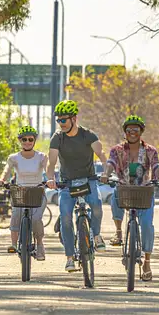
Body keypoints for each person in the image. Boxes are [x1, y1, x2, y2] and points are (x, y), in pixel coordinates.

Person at [46, 99, 109, 273]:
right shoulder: (57, 138)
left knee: (96, 205)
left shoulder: (88, 135)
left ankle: (96, 235)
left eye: (63, 120)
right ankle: (69, 258)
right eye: (58, 120)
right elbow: (51, 163)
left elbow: (102, 156)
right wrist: (50, 178)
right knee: (65, 217)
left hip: (89, 180)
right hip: (67, 183)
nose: (61, 123)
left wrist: (106, 172)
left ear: (74, 118)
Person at [104, 114, 159, 281]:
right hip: (124, 189)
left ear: (141, 131)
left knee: (147, 225)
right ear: (124, 132)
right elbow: (110, 163)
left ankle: (147, 261)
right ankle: (118, 231)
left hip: (144, 191)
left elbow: (156, 167)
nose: (132, 132)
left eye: (136, 129)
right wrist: (105, 175)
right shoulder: (116, 150)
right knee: (116, 195)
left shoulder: (150, 151)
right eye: (129, 130)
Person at [0, 124, 49, 261]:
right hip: (20, 193)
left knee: (36, 219)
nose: (27, 142)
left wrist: (51, 180)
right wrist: (2, 180)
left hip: (37, 193)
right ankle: (14, 244)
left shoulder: (42, 157)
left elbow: (48, 169)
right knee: (15, 214)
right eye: (24, 139)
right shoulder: (14, 157)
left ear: (34, 141)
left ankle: (39, 245)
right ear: (20, 141)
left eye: (30, 139)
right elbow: (7, 170)